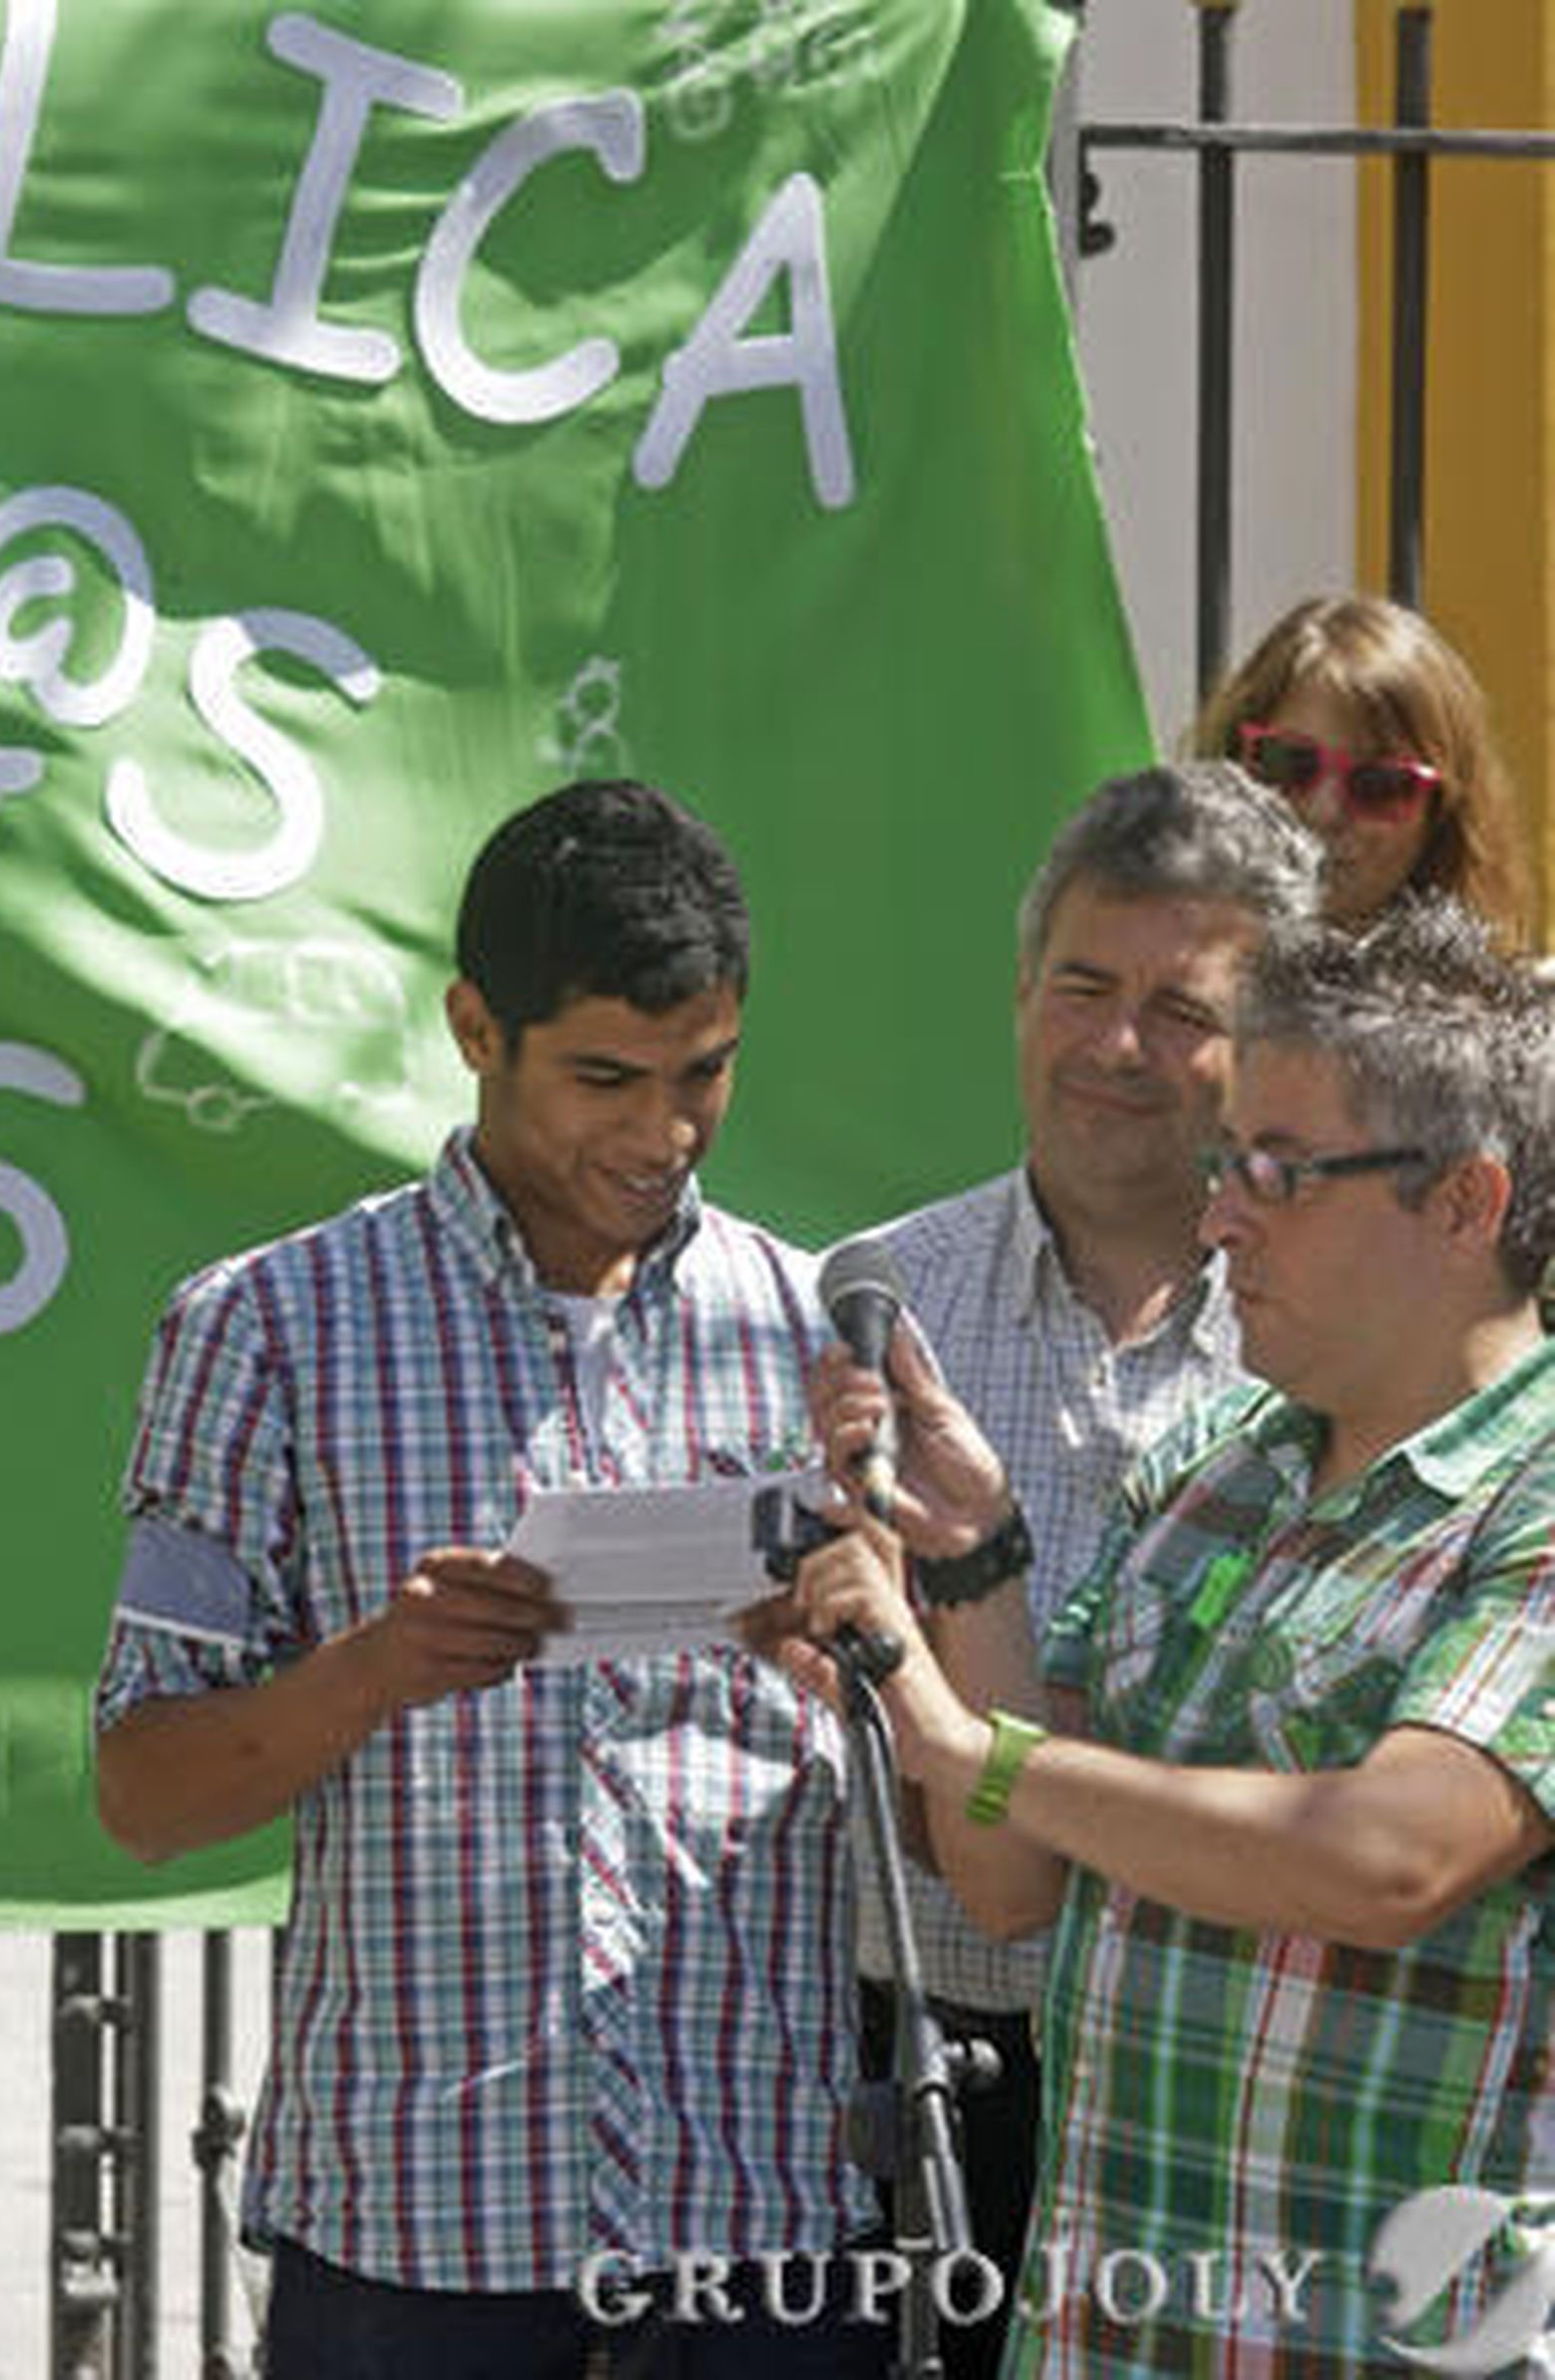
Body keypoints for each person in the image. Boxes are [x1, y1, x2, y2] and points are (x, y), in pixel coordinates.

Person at [92, 779, 884, 2380]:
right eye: (605, 1077)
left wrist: (857, 1651)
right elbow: (144, 1790)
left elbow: (930, 1790)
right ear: (474, 1028)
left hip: (762, 2226)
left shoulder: (815, 1326)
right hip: (414, 2235)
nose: (662, 1132)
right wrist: (374, 1666)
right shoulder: (266, 1326)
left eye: (705, 1072)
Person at [784, 895, 1555, 2374]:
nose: (1218, 1218)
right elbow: (1012, 1880)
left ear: (1465, 1202)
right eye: (1224, 1163)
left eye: (1278, 1172)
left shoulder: (1533, 1489)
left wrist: (962, 1745)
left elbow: (1388, 1857)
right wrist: (975, 1562)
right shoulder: (1218, 1462)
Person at [850, 761, 1323, 2380]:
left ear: (1272, 1046)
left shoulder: (1345, 1340)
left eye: (1183, 1011)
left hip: (1225, 2090)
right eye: (1083, 985)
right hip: (912, 2081)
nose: (1118, 1045)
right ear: (1018, 992)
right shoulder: (872, 1307)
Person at [1190, 592, 1532, 942]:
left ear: (1441, 816)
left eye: (1378, 785)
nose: (1324, 811)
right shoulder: (1160, 966)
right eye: (1290, 764)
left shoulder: (1491, 979)